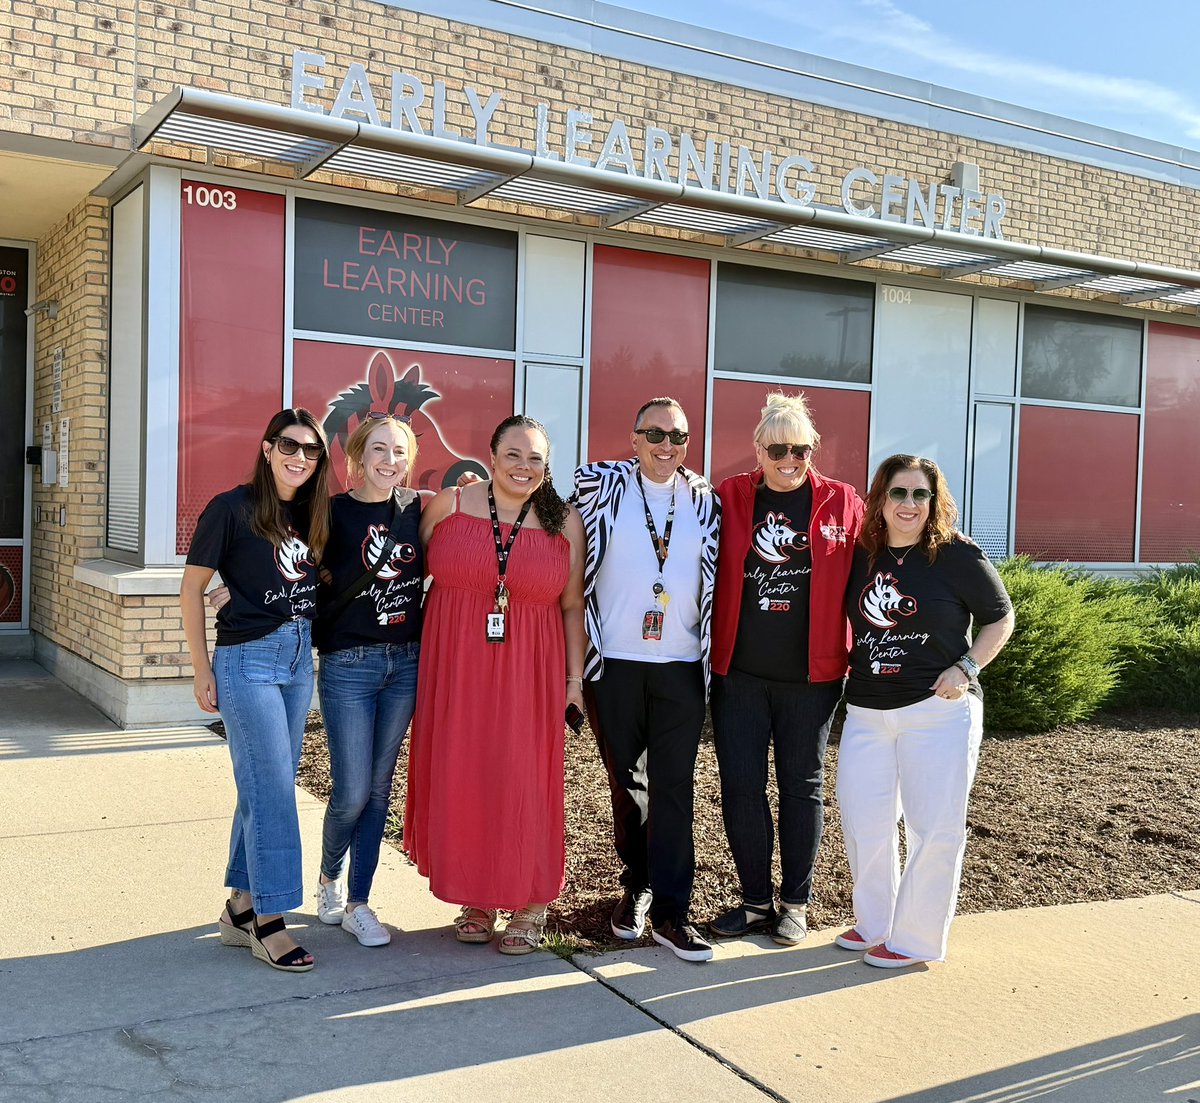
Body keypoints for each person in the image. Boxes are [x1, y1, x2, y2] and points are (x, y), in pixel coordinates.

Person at [403, 414, 586, 954]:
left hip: (532, 671)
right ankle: (477, 896)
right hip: (456, 668)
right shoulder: (450, 506)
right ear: (490, 455)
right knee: (467, 773)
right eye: (513, 454)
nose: (523, 466)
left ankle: (531, 900)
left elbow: (572, 606)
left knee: (523, 777)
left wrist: (574, 681)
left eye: (535, 458)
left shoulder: (563, 522)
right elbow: (397, 570)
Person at [836, 454, 1014, 968]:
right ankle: (875, 922)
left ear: (934, 502)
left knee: (933, 827)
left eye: (921, 494)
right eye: (898, 492)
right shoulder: (861, 555)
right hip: (867, 711)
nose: (909, 504)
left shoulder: (956, 554)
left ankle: (915, 940)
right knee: (864, 821)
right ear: (880, 499)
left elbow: (1000, 617)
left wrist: (966, 668)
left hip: (937, 711)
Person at [707, 393, 863, 946]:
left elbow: (889, 550)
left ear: (812, 449)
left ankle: (795, 904)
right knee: (741, 787)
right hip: (739, 675)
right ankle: (755, 903)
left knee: (802, 786)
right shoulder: (730, 496)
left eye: (800, 449)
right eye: (777, 449)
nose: (789, 460)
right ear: (758, 450)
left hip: (812, 679)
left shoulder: (843, 502)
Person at [181, 408, 331, 973]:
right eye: (289, 445)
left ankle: (240, 906)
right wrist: (202, 670)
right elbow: (191, 588)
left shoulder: (313, 514)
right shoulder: (230, 508)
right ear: (267, 448)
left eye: (312, 450)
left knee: (264, 786)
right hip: (247, 661)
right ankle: (270, 920)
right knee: (272, 791)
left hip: (298, 659)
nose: (300, 457)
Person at [574, 397, 721, 963]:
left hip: (681, 664)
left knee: (674, 787)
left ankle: (673, 912)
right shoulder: (598, 485)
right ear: (634, 438)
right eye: (655, 434)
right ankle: (637, 885)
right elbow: (538, 510)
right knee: (626, 783)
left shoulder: (705, 501)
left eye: (677, 436)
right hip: (614, 663)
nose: (666, 446)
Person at [310, 413, 424, 946]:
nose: (390, 460)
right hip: (348, 666)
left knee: (379, 789)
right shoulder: (330, 513)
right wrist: (227, 587)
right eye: (379, 449)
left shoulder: (418, 508)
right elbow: (279, 558)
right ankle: (329, 877)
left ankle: (359, 901)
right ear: (356, 456)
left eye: (400, 451)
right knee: (351, 791)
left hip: (406, 664)